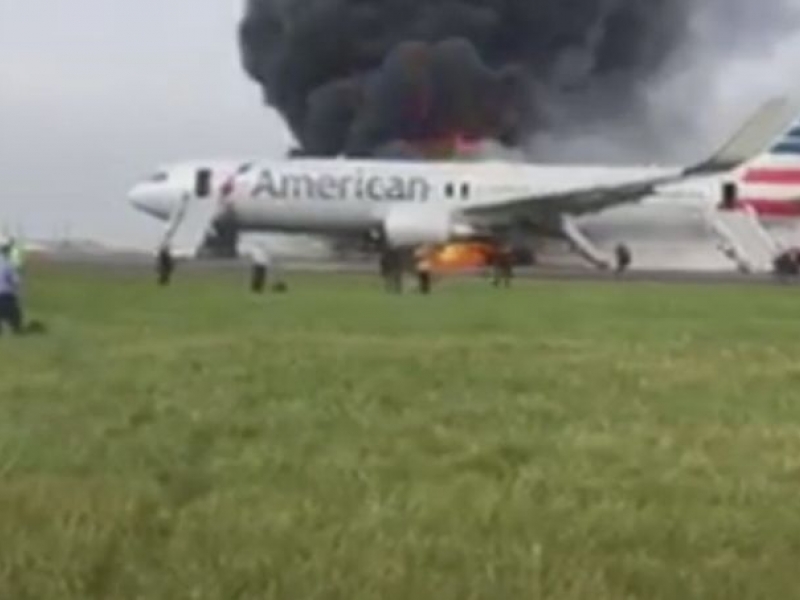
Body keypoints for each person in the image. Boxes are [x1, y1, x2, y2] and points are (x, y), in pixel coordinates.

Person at [0, 237, 23, 335]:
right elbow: (16, 280)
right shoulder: (8, 263)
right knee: (16, 316)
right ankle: (15, 329)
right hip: (6, 296)